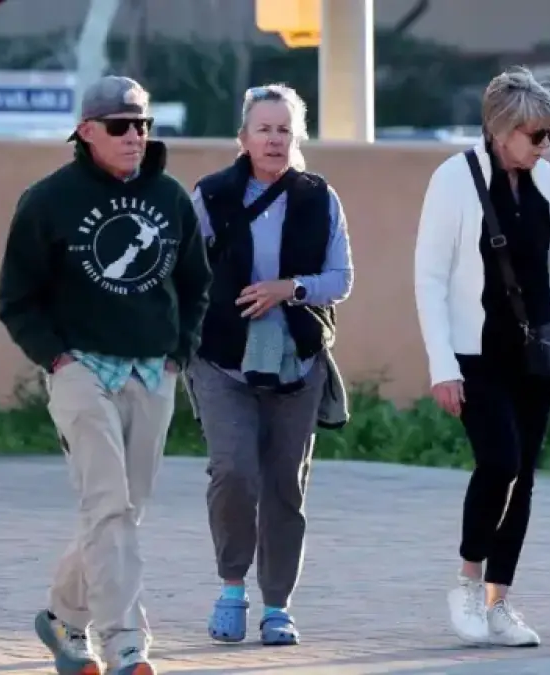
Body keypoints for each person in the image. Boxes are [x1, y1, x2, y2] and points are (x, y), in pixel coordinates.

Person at [0, 76, 211, 675]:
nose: (134, 136)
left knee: (121, 512)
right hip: (80, 369)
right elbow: (17, 297)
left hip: (153, 370)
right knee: (109, 504)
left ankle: (63, 617)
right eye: (120, 126)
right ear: (87, 131)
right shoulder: (47, 200)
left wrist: (179, 353)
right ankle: (125, 644)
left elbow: (197, 285)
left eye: (142, 125)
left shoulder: (169, 198)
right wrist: (56, 358)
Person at [415, 68, 550, 646]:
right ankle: (467, 583)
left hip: (536, 353)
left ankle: (500, 602)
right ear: (500, 130)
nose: (546, 146)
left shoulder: (549, 181)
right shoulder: (454, 178)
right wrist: (442, 366)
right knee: (500, 462)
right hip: (477, 353)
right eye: (536, 135)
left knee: (525, 479)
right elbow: (429, 278)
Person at [186, 84, 353, 647]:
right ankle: (231, 588)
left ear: (297, 137)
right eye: (264, 129)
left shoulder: (319, 197)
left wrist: (290, 288)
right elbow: (186, 272)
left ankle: (278, 605)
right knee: (233, 471)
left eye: (284, 129)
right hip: (222, 358)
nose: (274, 139)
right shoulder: (211, 195)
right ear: (244, 137)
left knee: (285, 484)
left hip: (297, 359)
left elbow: (340, 279)